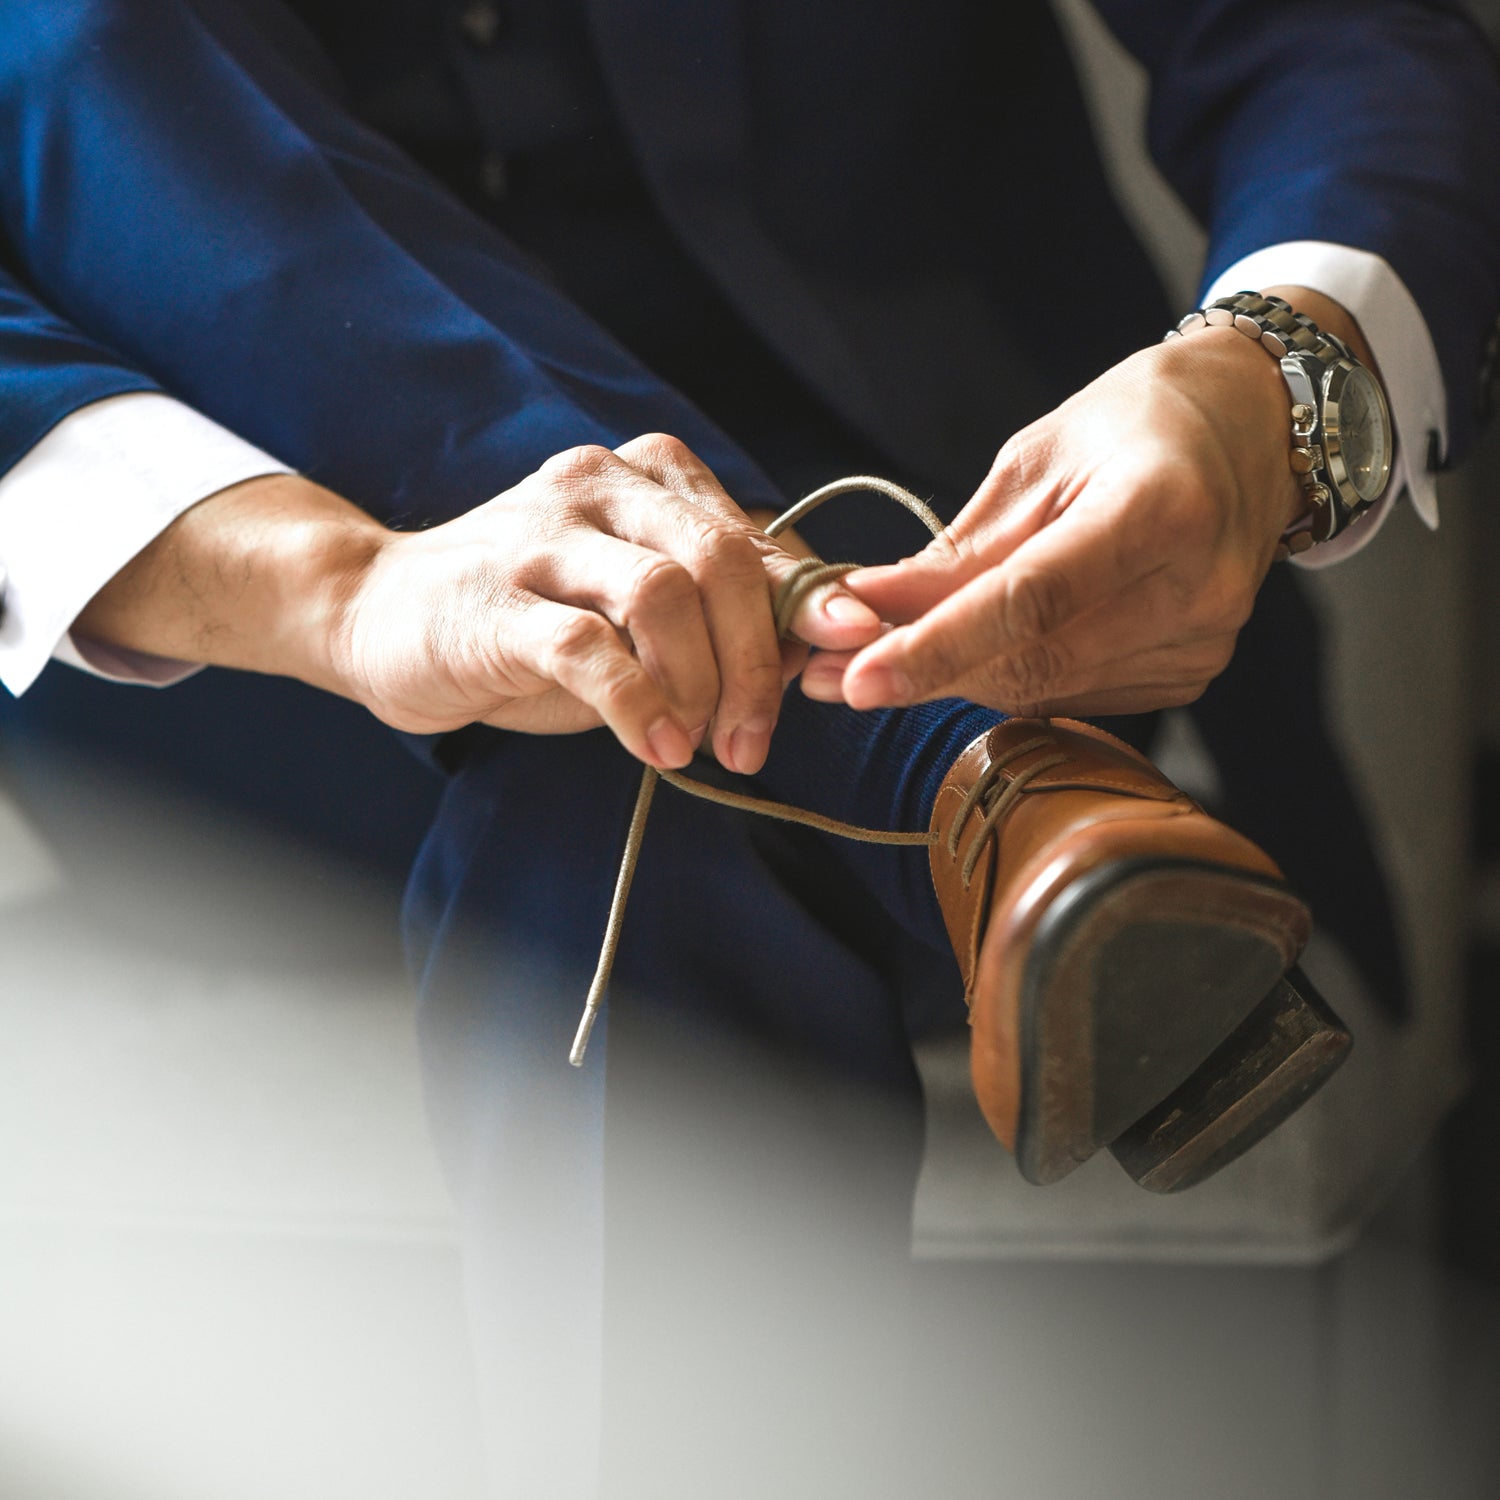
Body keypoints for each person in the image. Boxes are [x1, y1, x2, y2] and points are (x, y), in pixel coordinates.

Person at [1, 1, 1498, 1491]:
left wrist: (1264, 389)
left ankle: (939, 765)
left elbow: (1334, 34)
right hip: (248, 632)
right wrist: (341, 587)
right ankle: (974, 789)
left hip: (939, 557)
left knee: (615, 768)